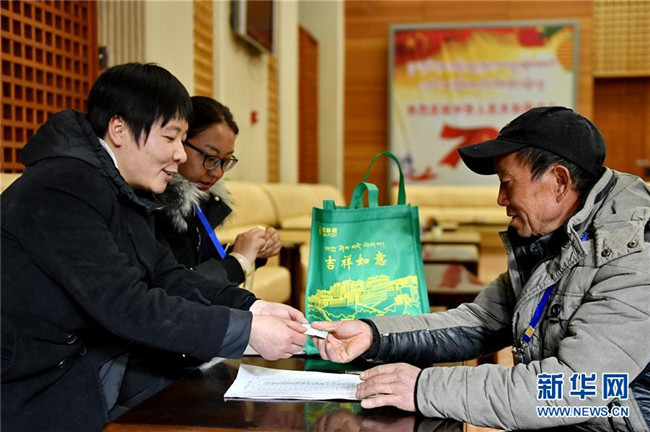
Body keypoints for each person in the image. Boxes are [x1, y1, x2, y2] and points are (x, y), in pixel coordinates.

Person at [0, 62, 307, 432]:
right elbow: (125, 304)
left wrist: (252, 307)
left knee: (221, 396)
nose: (181, 154)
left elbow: (167, 275)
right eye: (171, 138)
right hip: (41, 386)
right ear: (119, 129)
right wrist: (248, 331)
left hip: (97, 362)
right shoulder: (62, 187)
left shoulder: (121, 186)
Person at [311, 107, 650, 431]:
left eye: (507, 182)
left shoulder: (635, 254)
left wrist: (423, 387)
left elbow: (576, 387)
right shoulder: (556, 239)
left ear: (558, 181)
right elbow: (479, 321)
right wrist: (374, 335)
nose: (501, 199)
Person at [155, 96, 280, 288]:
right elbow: (176, 288)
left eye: (225, 161)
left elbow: (199, 261)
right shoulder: (155, 206)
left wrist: (251, 251)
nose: (217, 172)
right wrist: (237, 262)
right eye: (210, 157)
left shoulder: (199, 201)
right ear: (179, 142)